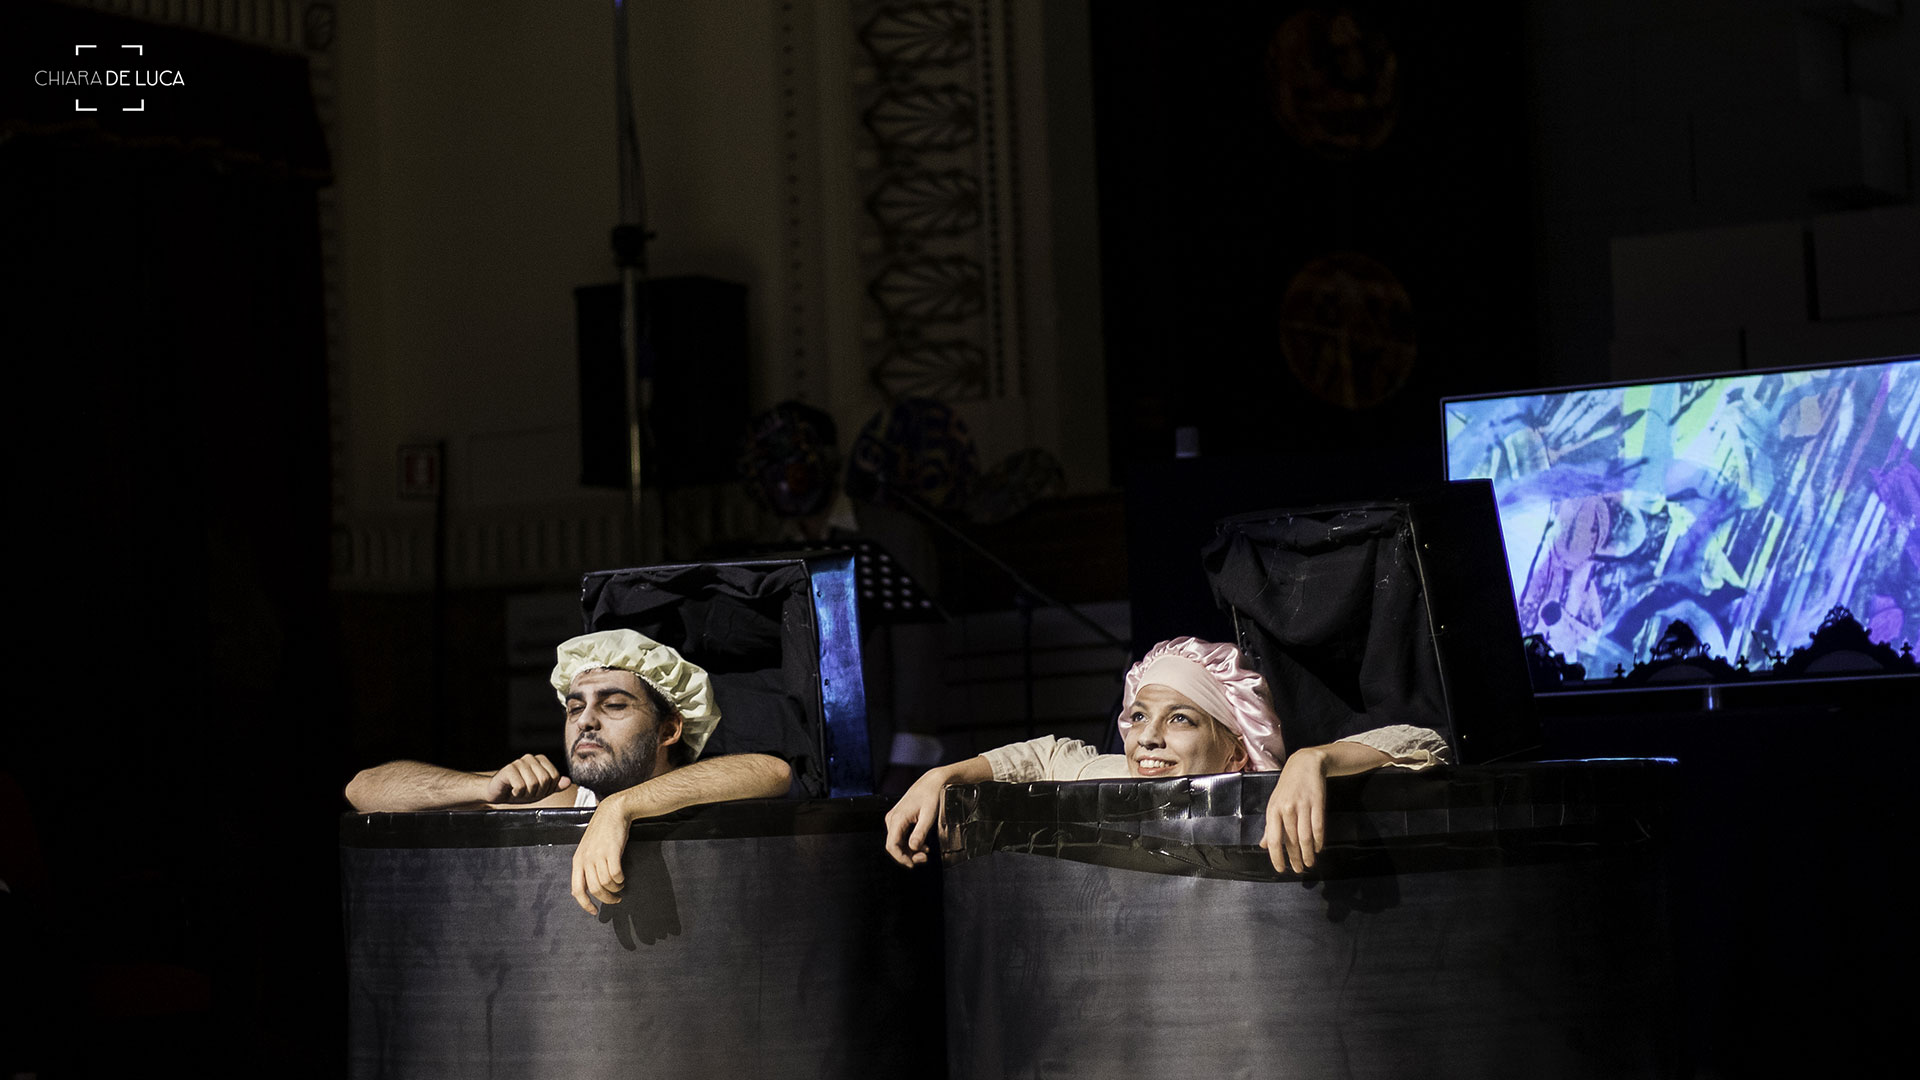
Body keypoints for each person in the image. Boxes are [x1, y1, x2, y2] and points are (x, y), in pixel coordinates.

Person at [882, 636, 1448, 874]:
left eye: (1180, 718)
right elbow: (1045, 757)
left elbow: (1423, 743)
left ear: (1236, 752)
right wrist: (942, 775)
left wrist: (1310, 762)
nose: (1147, 737)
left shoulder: (1272, 791)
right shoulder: (1111, 775)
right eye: (1137, 716)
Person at [346, 628, 793, 914]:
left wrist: (620, 808)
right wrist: (483, 787)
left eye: (613, 704)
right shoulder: (566, 799)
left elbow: (771, 771)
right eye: (575, 707)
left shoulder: (703, 790)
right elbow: (363, 789)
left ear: (669, 729)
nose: (585, 720)